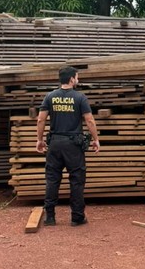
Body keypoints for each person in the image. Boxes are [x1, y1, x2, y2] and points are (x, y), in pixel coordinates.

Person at [36, 65, 100, 227]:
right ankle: (77, 217)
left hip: (55, 143)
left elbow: (41, 119)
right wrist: (96, 139)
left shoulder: (50, 96)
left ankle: (50, 217)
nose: (78, 80)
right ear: (72, 79)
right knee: (77, 180)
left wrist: (39, 140)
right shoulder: (80, 97)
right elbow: (89, 120)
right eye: (77, 77)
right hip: (73, 144)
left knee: (52, 179)